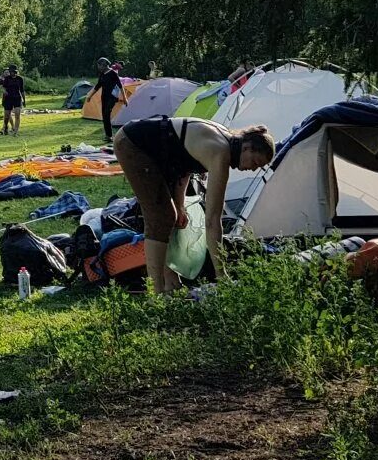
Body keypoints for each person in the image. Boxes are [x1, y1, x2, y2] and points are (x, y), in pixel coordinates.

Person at [113, 115, 275, 293]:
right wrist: (222, 275)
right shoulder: (220, 152)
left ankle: (171, 281)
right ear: (246, 147)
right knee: (160, 218)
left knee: (173, 216)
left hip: (155, 148)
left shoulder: (225, 140)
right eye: (255, 162)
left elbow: (184, 165)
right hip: (132, 144)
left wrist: (180, 205)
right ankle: (157, 293)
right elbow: (213, 220)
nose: (252, 169)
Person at [96, 57, 124, 143]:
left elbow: (120, 86)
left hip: (112, 97)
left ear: (104, 65)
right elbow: (98, 86)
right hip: (104, 97)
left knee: (107, 113)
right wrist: (89, 96)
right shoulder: (102, 74)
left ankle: (109, 136)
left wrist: (125, 99)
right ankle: (108, 136)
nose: (98, 67)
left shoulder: (113, 73)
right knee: (105, 116)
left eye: (99, 65)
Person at [0, 65, 27, 135]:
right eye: (10, 71)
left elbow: (22, 90)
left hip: (17, 98)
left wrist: (24, 100)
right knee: (7, 116)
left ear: (15, 71)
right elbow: (3, 87)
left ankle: (15, 131)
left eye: (11, 71)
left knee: (17, 114)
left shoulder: (20, 79)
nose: (10, 72)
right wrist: (4, 91)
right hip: (8, 98)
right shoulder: (7, 79)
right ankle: (5, 127)